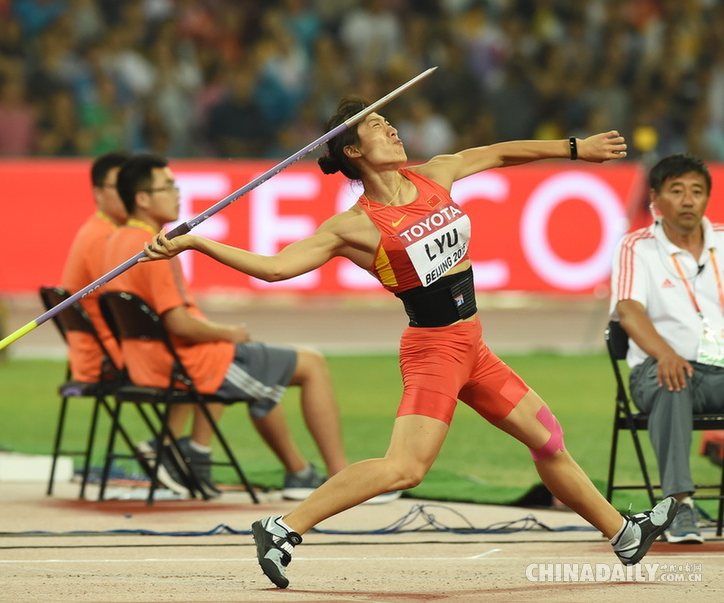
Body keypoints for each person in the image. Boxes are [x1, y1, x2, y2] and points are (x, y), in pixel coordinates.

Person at [140, 96, 678, 588]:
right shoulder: (352, 227)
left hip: (474, 346)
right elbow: (276, 268)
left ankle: (623, 533)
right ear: (353, 151)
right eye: (377, 126)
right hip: (434, 351)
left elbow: (497, 154)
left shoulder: (435, 174)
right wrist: (197, 243)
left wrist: (575, 149)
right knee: (406, 468)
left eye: (388, 121)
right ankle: (283, 527)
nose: (392, 129)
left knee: (546, 437)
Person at [103, 153, 349, 500]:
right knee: (311, 364)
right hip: (183, 364)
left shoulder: (116, 241)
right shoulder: (157, 249)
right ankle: (342, 478)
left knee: (263, 373)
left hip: (145, 361)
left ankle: (286, 470)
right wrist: (227, 333)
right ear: (142, 199)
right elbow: (179, 324)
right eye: (168, 187)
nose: (177, 194)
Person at [610, 153, 724, 545]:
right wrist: (665, 353)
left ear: (707, 197)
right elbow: (628, 310)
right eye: (677, 191)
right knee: (673, 379)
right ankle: (678, 504)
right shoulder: (636, 247)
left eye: (697, 191)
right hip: (659, 372)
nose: (688, 200)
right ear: (655, 199)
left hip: (719, 370)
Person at [59, 150, 129, 383]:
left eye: (132, 185)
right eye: (119, 186)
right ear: (98, 193)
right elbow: (129, 308)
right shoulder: (103, 238)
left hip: (96, 354)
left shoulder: (102, 231)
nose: (128, 193)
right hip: (106, 358)